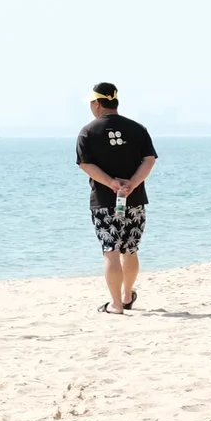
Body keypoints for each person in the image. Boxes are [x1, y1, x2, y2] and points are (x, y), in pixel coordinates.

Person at [76, 82, 158, 314]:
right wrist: (132, 184)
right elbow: (149, 159)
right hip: (134, 199)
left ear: (97, 103)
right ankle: (127, 294)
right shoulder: (137, 129)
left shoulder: (88, 131)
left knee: (110, 251)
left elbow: (86, 164)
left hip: (104, 201)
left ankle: (116, 304)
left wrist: (112, 183)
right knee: (130, 249)